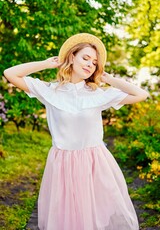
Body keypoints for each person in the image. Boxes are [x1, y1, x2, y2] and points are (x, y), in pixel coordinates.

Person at [4, 33, 149, 230]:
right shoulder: (50, 91)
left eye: (95, 62)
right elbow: (10, 73)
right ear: (72, 57)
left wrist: (108, 78)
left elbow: (141, 94)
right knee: (66, 220)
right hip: (62, 165)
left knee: (94, 218)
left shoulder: (99, 95)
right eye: (86, 58)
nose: (90, 64)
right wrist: (46, 63)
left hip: (94, 164)